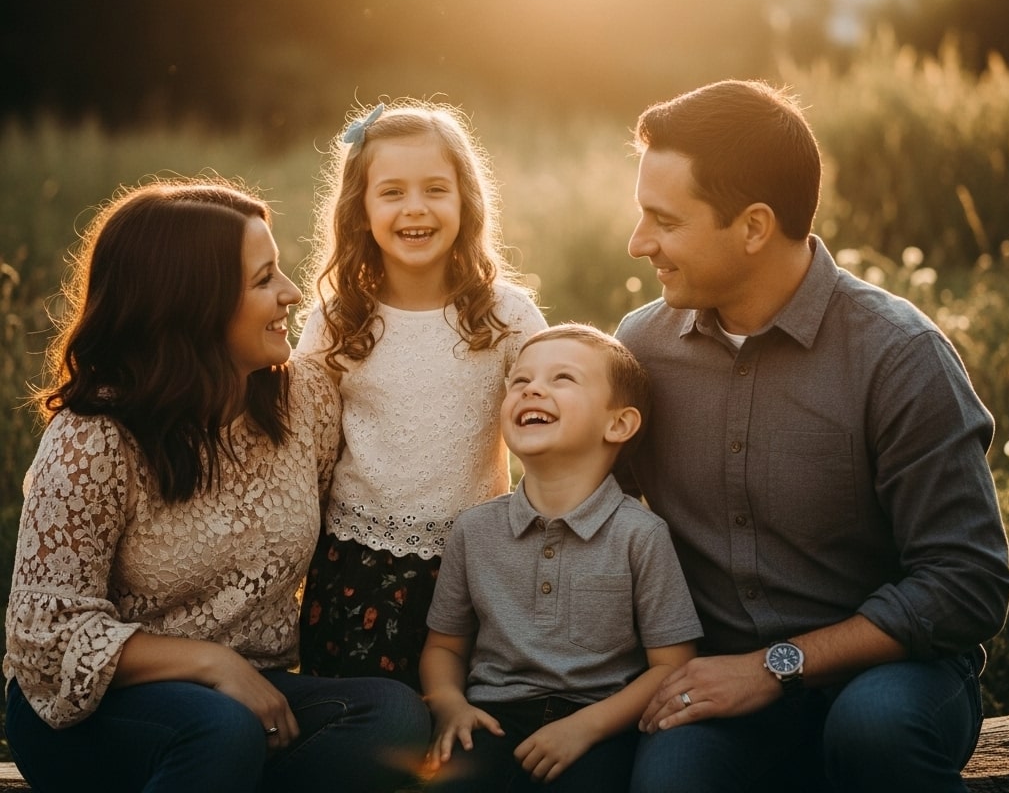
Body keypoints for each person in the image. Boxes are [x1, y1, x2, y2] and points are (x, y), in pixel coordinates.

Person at [614, 79, 1009, 793]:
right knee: (669, 782)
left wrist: (775, 667)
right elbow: (595, 522)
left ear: (755, 226)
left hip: (894, 675)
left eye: (664, 220)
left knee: (874, 732)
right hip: (720, 683)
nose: (638, 242)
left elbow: (967, 584)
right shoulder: (641, 349)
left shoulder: (898, 355)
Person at [3, 178, 431, 793]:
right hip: (94, 711)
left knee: (391, 717)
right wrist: (211, 663)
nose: (290, 293)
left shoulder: (304, 399)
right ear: (190, 304)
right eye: (263, 280)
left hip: (253, 695)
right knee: (217, 730)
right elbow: (47, 637)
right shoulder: (93, 439)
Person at [297, 99, 547, 690]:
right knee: (375, 728)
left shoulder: (506, 315)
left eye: (436, 188)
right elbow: (302, 446)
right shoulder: (336, 320)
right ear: (360, 208)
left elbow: (556, 422)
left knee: (469, 723)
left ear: (466, 200)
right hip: (355, 565)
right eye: (392, 192)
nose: (416, 208)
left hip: (478, 561)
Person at [420, 323, 703, 792]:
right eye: (520, 380)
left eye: (562, 379)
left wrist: (586, 728)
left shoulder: (641, 535)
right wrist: (451, 704)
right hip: (492, 718)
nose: (532, 388)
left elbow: (672, 667)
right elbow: (445, 646)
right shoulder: (474, 529)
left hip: (601, 726)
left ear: (619, 424)